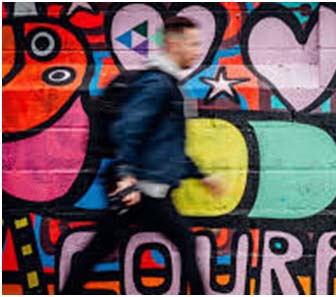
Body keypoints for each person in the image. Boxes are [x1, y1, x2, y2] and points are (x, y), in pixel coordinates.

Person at [60, 17, 223, 294]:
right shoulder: (158, 84)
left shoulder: (167, 85)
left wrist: (201, 176)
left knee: (100, 248)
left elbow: (166, 146)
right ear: (173, 44)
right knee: (183, 240)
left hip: (149, 188)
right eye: (192, 44)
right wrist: (126, 174)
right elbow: (128, 128)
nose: (197, 51)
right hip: (142, 189)